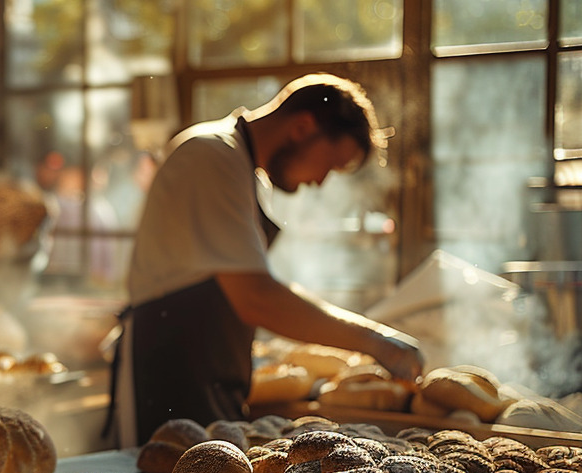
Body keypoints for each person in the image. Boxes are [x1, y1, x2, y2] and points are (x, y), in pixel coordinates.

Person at [113, 73, 424, 447]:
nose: (322, 182)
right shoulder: (210, 154)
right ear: (303, 127)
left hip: (210, 370)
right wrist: (379, 342)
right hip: (169, 375)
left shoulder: (243, 169)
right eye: (330, 164)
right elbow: (257, 296)